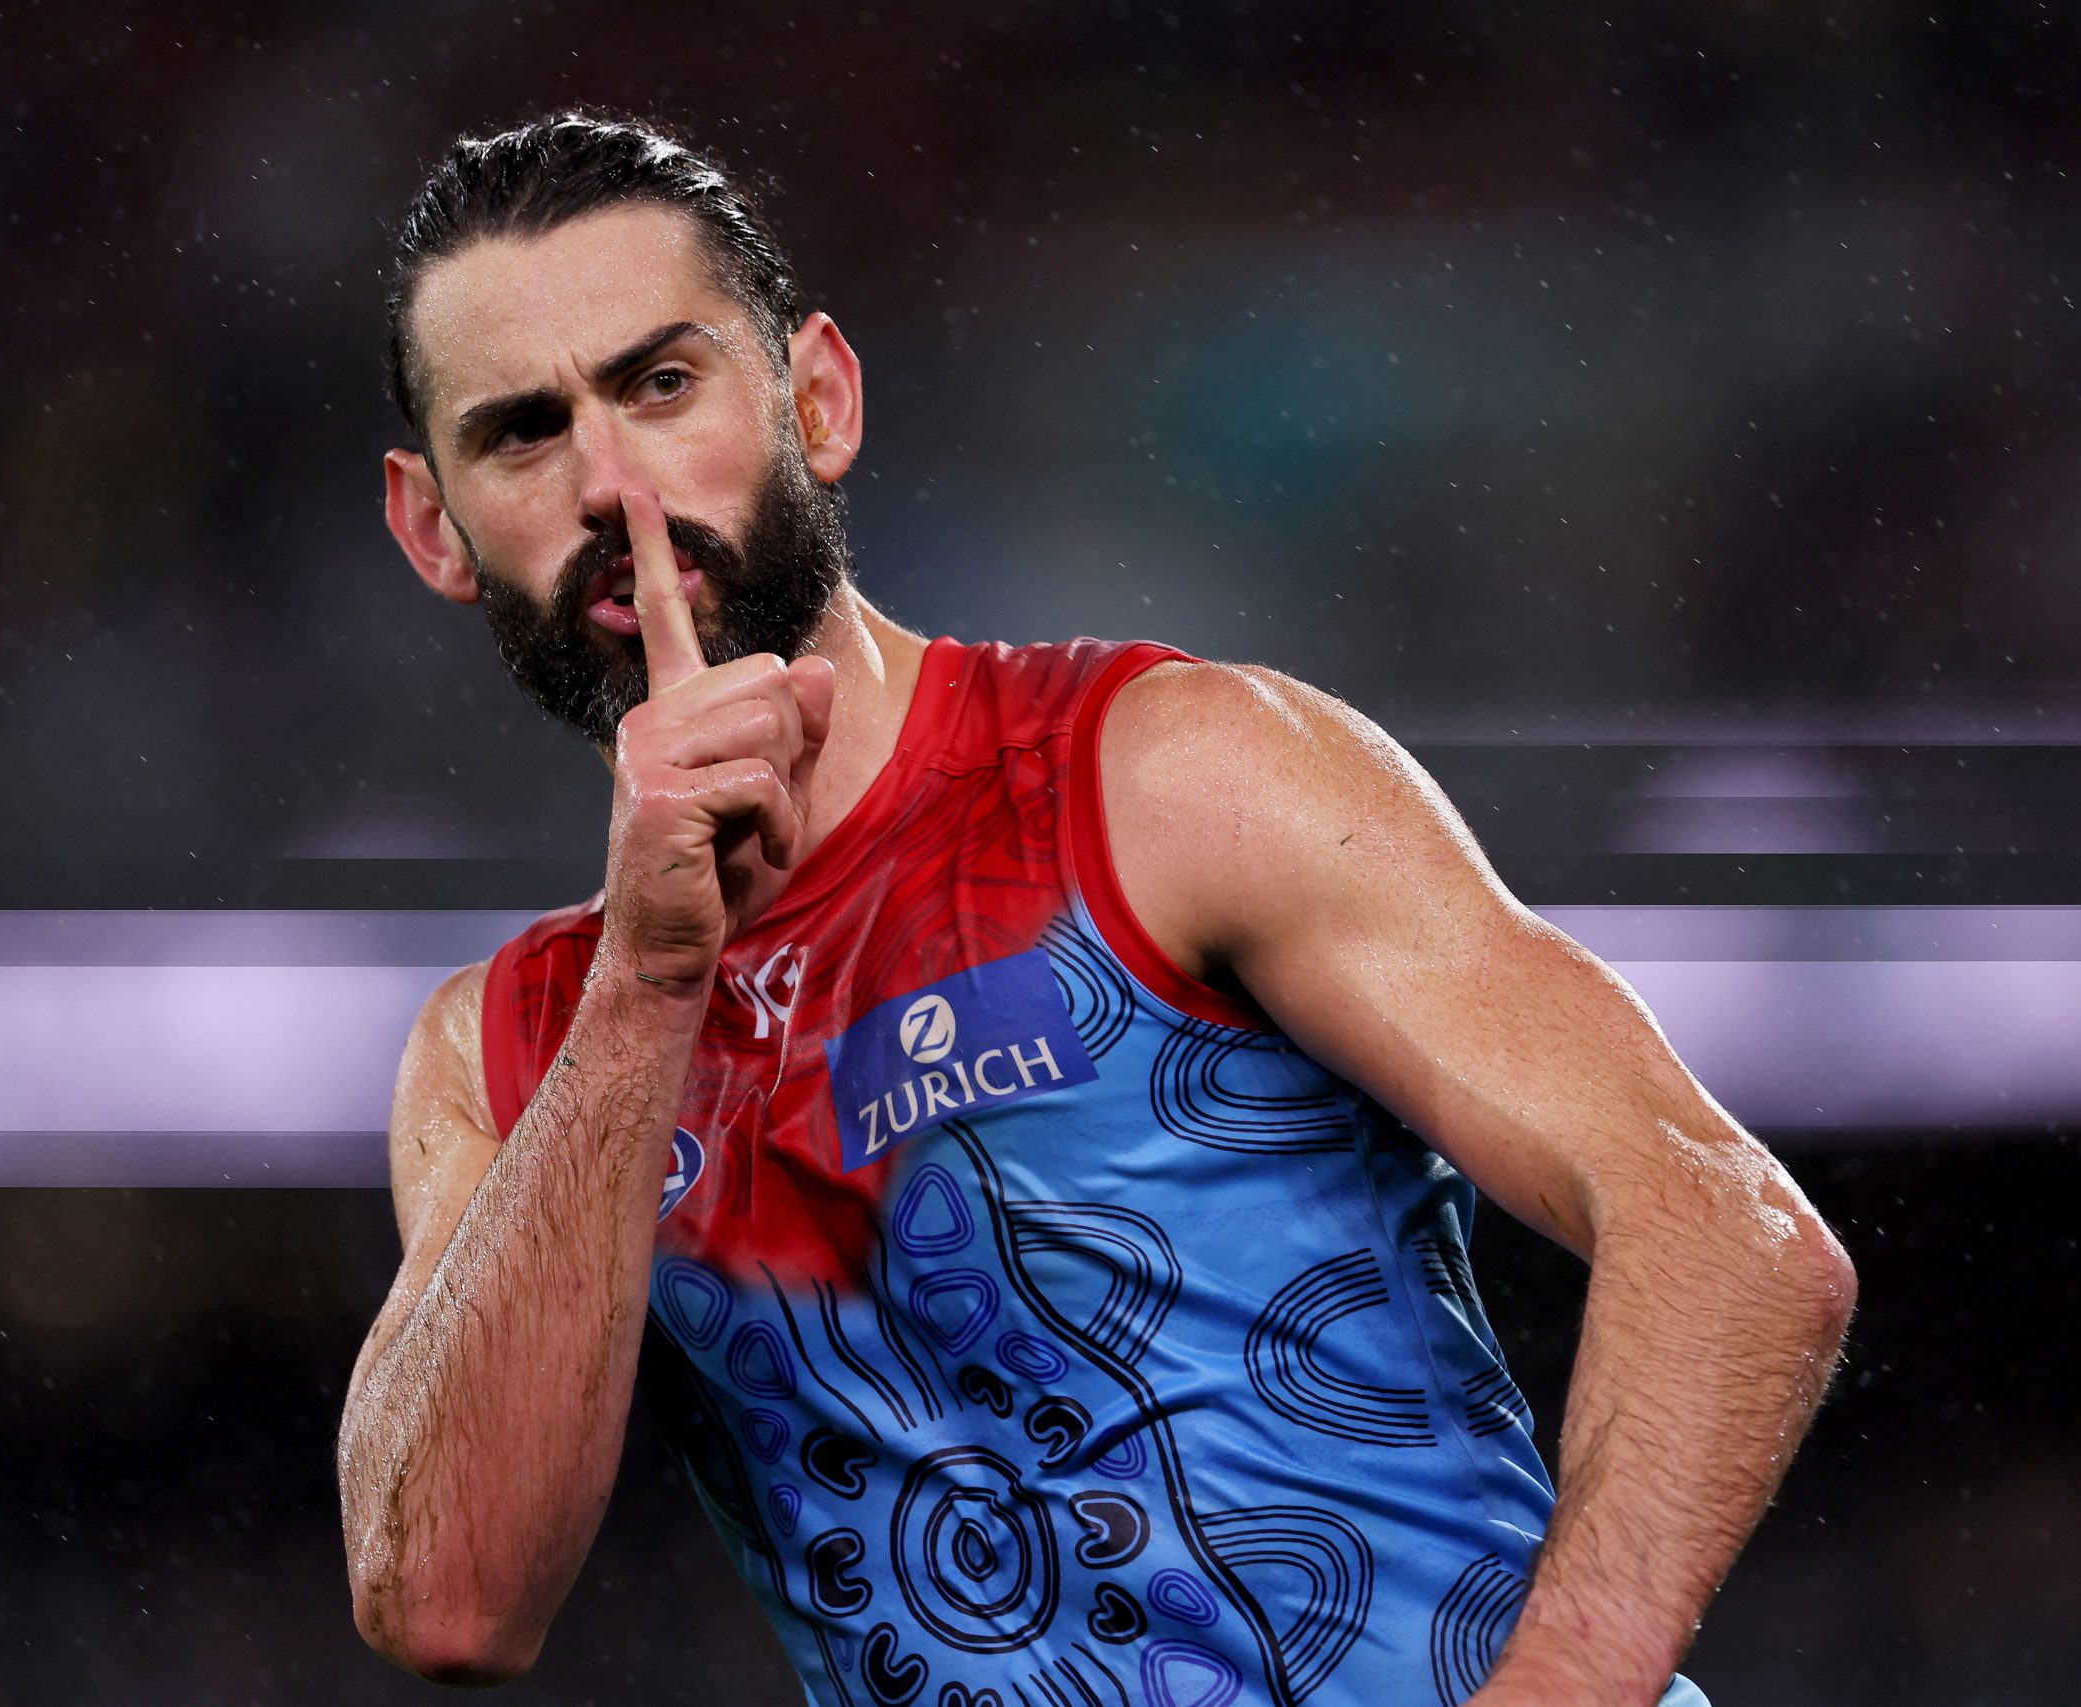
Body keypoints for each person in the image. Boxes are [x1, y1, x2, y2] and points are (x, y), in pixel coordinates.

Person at [337, 109, 1856, 1707]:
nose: (611, 484)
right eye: (519, 431)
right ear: (434, 528)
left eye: (661, 384)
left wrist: (1570, 1683)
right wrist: (649, 987)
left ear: (817, 398)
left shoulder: (1163, 779)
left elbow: (1727, 1235)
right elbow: (449, 1603)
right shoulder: (499, 1055)